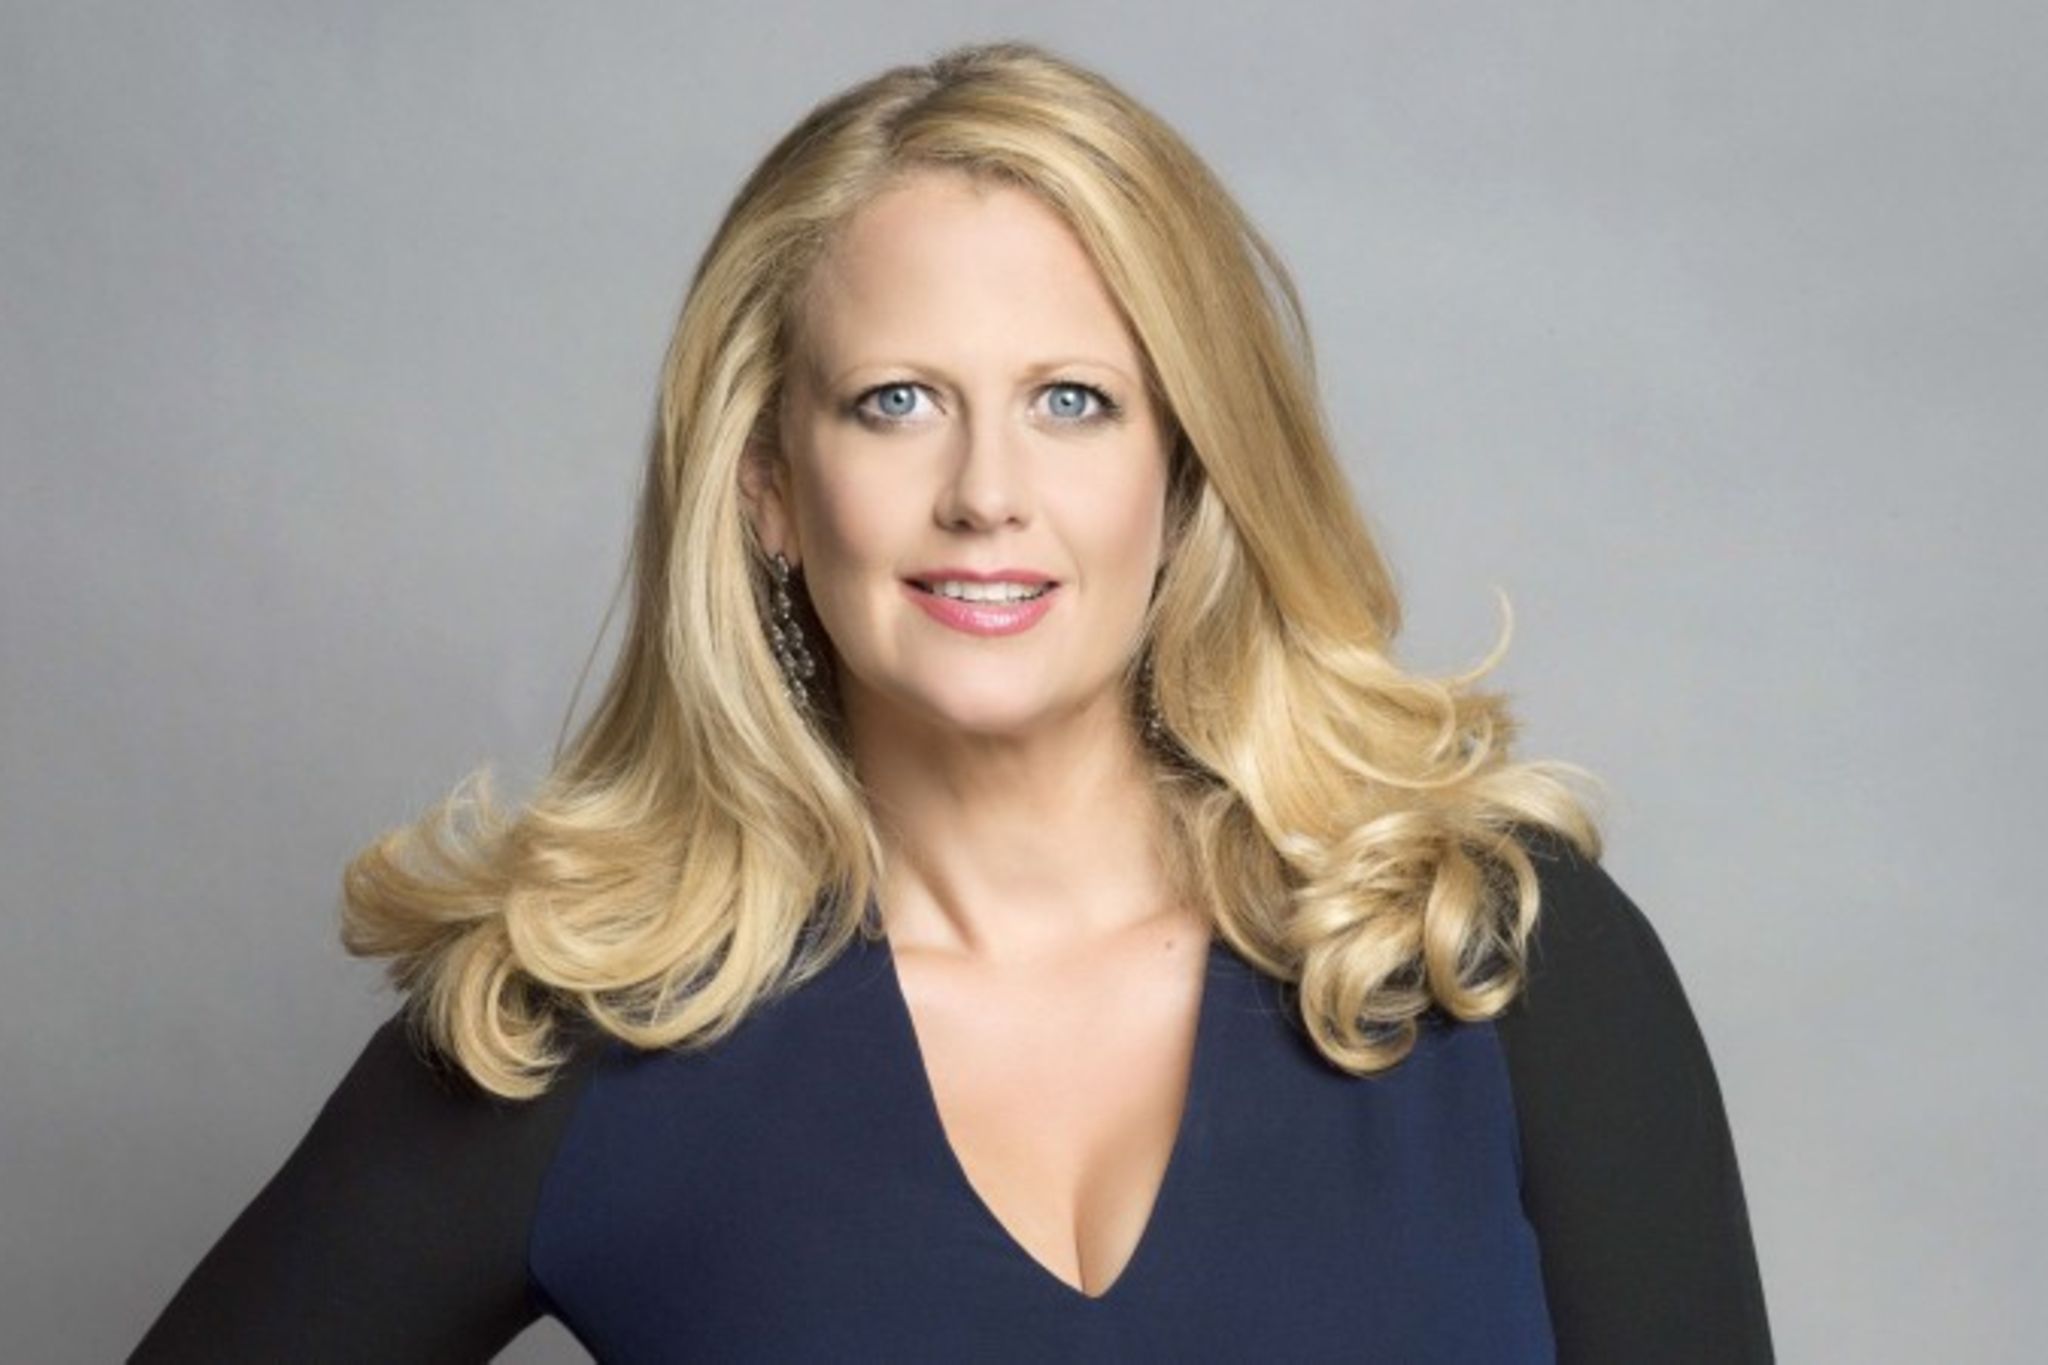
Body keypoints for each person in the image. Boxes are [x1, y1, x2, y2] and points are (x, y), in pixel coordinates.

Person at [132, 39, 1772, 1363]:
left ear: (1183, 472)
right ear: (771, 483)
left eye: (1073, 401)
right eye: (898, 399)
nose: (987, 490)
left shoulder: (1502, 963)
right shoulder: (579, 1036)